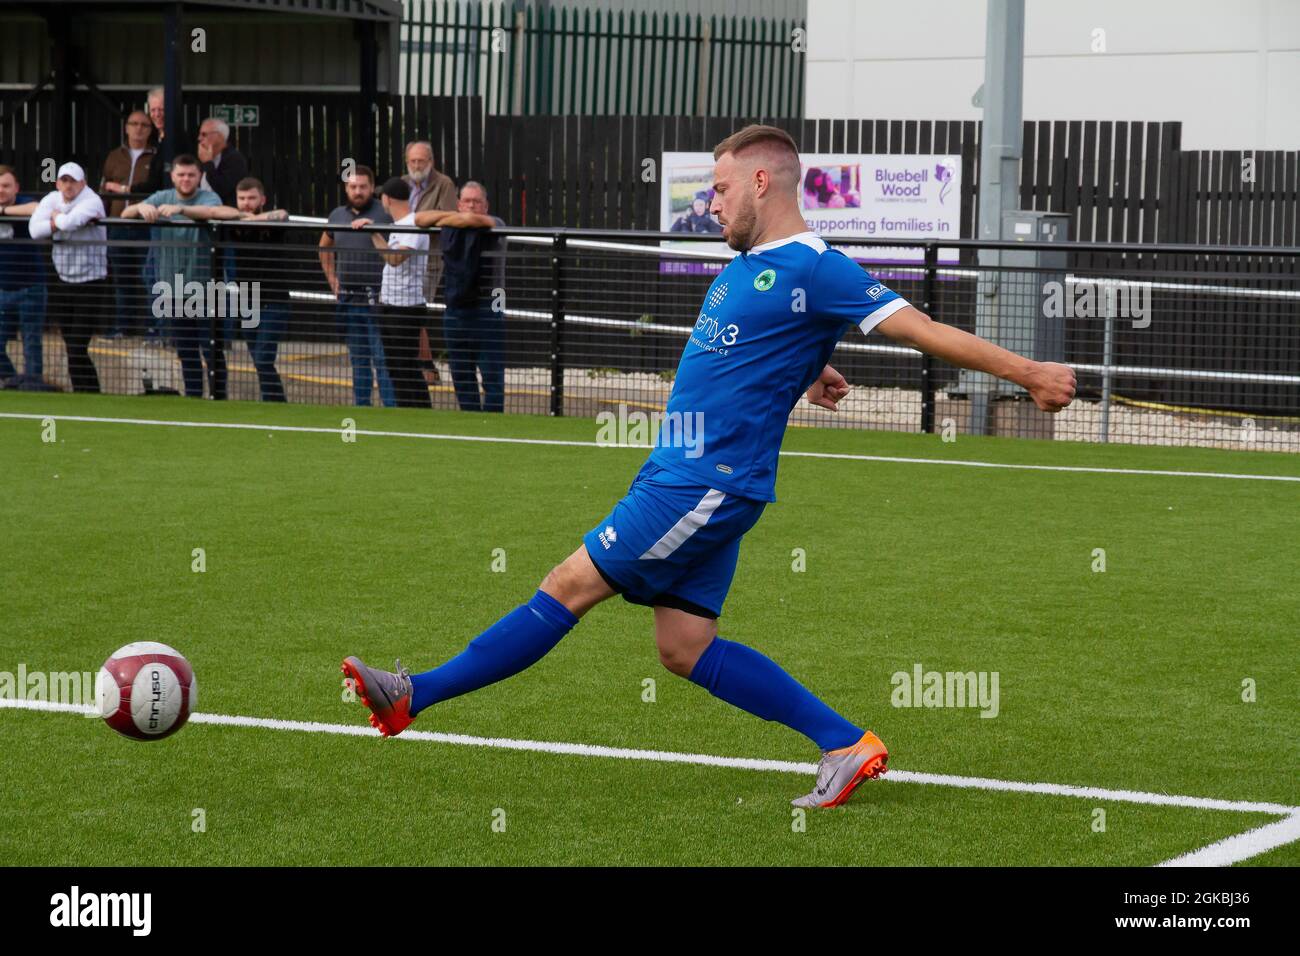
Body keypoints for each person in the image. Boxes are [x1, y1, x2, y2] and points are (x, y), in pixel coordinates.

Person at [340, 125, 1077, 808]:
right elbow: (771, 340)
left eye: (720, 189)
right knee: (684, 647)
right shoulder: (755, 267)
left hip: (702, 483)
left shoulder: (817, 264)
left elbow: (924, 331)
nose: (710, 202)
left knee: (568, 584)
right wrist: (813, 365)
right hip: (690, 478)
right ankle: (846, 743)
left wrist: (1029, 371)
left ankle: (413, 696)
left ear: (762, 182)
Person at [170, 177, 289, 402]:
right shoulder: (233, 222)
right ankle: (273, 403)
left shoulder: (272, 223)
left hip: (275, 300)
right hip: (247, 301)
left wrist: (248, 218)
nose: (246, 203)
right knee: (258, 359)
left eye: (252, 198)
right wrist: (183, 208)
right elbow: (211, 212)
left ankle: (276, 402)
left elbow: (281, 214)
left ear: (262, 199)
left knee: (264, 358)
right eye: (242, 198)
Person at [122, 155, 223, 398]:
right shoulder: (161, 196)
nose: (186, 179)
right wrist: (140, 207)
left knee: (211, 350)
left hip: (205, 288)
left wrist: (182, 209)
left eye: (191, 175)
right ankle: (193, 397)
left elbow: (214, 211)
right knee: (186, 350)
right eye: (181, 174)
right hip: (172, 288)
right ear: (173, 176)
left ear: (199, 176)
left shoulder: (208, 196)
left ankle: (219, 398)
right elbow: (126, 213)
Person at [413, 181, 507, 413]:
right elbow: (419, 219)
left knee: (491, 372)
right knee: (461, 373)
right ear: (458, 203)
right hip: (455, 307)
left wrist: (453, 216)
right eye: (467, 201)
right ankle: (470, 419)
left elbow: (470, 221)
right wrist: (453, 216)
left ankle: (494, 421)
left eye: (477, 202)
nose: (472, 206)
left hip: (490, 305)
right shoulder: (452, 226)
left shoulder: (496, 224)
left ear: (486, 206)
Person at [28, 163, 109, 393]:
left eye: (73, 181)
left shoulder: (91, 201)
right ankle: (82, 393)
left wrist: (55, 219)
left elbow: (69, 223)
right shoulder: (52, 198)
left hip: (91, 281)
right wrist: (58, 219)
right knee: (70, 344)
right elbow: (35, 231)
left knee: (76, 345)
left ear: (83, 183)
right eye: (64, 180)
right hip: (63, 280)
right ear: (57, 183)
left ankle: (91, 392)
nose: (68, 185)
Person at [319, 166, 396, 407]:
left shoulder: (385, 214)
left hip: (378, 299)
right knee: (358, 359)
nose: (358, 191)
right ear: (346, 188)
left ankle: (391, 410)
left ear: (372, 187)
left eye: (363, 186)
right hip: (348, 299)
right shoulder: (337, 215)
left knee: (382, 359)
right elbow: (324, 247)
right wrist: (332, 280)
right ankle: (362, 407)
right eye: (353, 187)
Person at [351, 177, 430, 408]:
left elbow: (395, 259)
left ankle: (420, 410)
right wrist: (373, 231)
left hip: (405, 308)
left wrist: (373, 233)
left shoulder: (412, 224)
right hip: (390, 304)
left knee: (405, 364)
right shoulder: (399, 225)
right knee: (395, 364)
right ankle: (408, 411)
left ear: (386, 199)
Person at [403, 140, 456, 382]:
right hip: (402, 257)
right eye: (412, 161)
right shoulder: (401, 184)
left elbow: (449, 218)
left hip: (429, 259)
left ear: (431, 162)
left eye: (421, 160)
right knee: (407, 312)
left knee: (416, 312)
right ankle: (420, 365)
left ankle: (426, 367)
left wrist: (419, 221)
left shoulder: (443, 184)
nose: (416, 165)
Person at [100, 110, 157, 336]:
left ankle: (152, 328)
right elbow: (103, 188)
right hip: (117, 224)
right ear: (126, 127)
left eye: (144, 124)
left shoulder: (156, 156)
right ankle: (123, 327)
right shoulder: (114, 156)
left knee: (149, 277)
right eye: (134, 124)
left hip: (146, 225)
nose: (139, 128)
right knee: (121, 279)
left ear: (150, 130)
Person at [0, 166, 47, 389]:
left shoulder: (25, 201)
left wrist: (3, 211)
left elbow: (37, 208)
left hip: (30, 287)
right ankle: (13, 379)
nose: (1, 190)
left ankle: (32, 385)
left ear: (16, 188)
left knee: (31, 342)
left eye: (6, 186)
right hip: (2, 288)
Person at [196, 117, 249, 208]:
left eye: (204, 134)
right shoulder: (201, 157)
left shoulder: (234, 159)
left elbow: (221, 188)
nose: (199, 138)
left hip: (224, 214)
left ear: (219, 136)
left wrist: (208, 163)